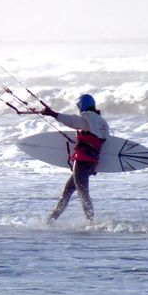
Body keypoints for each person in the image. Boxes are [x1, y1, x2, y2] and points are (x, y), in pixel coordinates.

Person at [39, 93, 110, 222]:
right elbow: (102, 141)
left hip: (82, 161)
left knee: (83, 193)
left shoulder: (87, 117)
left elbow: (73, 121)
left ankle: (91, 222)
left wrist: (52, 114)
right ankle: (51, 219)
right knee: (67, 192)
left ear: (81, 106)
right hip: (91, 162)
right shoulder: (102, 122)